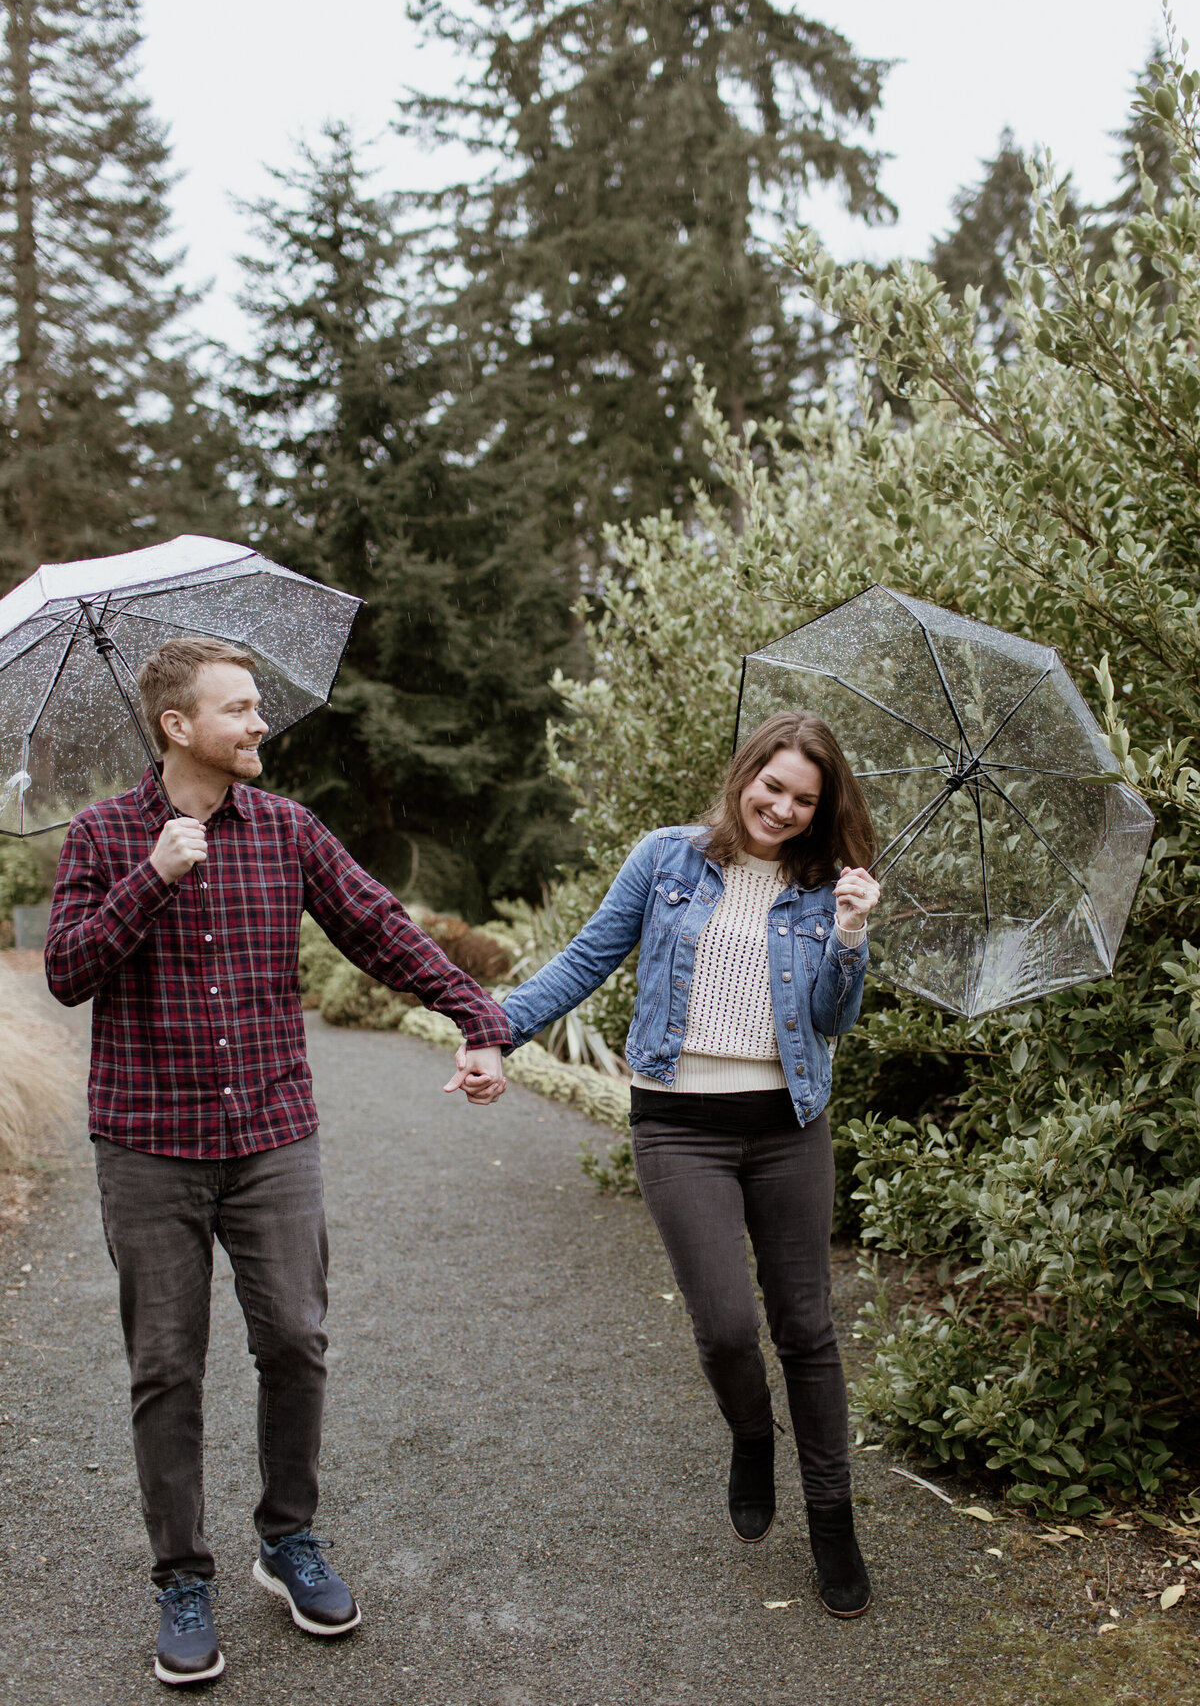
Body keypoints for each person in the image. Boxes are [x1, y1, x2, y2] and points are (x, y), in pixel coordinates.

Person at [45, 636, 509, 1688]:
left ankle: (286, 1539)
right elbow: (68, 972)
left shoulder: (289, 830)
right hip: (147, 1143)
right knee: (165, 1367)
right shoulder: (103, 834)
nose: (261, 724)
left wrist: (476, 1016)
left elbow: (380, 927)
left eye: (257, 708)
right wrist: (153, 879)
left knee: (296, 1340)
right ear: (178, 726)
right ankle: (180, 1576)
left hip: (271, 1138)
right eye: (241, 709)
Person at [490, 710, 880, 1617]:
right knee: (726, 1328)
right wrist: (495, 1029)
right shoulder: (666, 858)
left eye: (802, 799)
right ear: (746, 772)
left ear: (823, 811)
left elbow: (829, 1019)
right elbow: (588, 957)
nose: (779, 808)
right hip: (678, 1126)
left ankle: (832, 1520)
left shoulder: (830, 888)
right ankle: (752, 1433)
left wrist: (852, 936)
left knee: (808, 1330)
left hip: (789, 1124)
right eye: (771, 785)